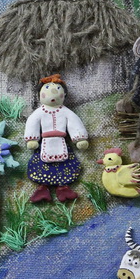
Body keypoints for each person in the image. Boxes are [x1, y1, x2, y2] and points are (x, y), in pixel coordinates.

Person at [24, 74, 89, 202]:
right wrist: (32, 138)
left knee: (65, 165)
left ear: (64, 94)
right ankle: (43, 189)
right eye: (47, 89)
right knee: (41, 165)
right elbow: (32, 123)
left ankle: (63, 188)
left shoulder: (66, 112)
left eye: (58, 90)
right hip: (44, 144)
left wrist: (79, 138)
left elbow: (74, 123)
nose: (53, 93)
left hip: (61, 142)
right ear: (40, 95)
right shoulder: (39, 112)